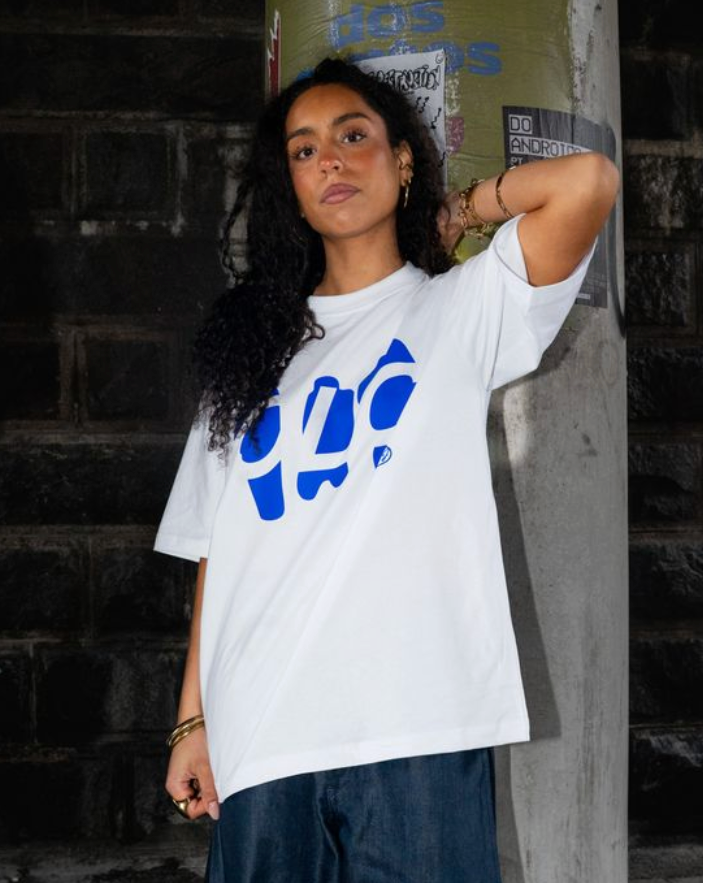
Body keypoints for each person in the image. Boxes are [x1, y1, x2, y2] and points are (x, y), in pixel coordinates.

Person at [154, 56, 619, 883]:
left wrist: (458, 213)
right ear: (290, 189)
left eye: (353, 135)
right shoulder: (246, 352)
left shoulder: (459, 308)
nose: (329, 160)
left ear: (402, 160)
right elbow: (217, 551)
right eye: (303, 150)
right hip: (263, 730)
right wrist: (193, 721)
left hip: (419, 727)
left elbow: (587, 182)